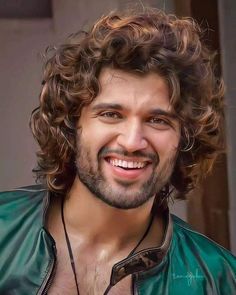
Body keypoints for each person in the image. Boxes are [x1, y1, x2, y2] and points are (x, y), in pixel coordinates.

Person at [0, 7, 235, 295]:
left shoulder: (217, 279)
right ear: (73, 123)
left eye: (157, 120)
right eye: (111, 114)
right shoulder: (3, 232)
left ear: (183, 138)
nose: (132, 141)